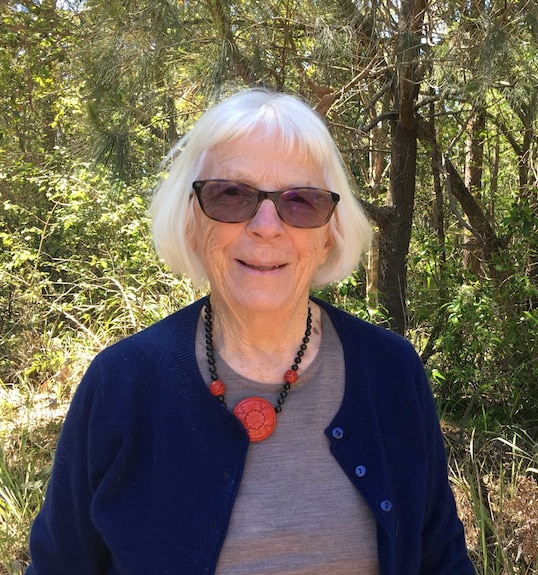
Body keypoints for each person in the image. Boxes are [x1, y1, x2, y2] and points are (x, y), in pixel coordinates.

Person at [26, 88, 475, 574]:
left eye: (301, 201)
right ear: (193, 220)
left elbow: (442, 560)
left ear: (329, 234)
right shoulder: (122, 383)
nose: (267, 225)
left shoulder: (392, 372)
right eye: (232, 194)